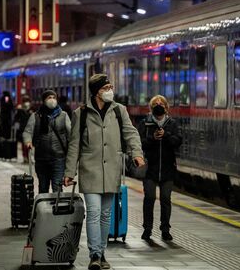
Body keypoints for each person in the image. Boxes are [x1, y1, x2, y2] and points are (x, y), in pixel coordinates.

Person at [63, 74, 145, 270]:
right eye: (106, 87)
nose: (110, 90)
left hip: (112, 170)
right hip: (90, 170)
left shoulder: (119, 110)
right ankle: (94, 255)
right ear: (96, 92)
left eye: (110, 86)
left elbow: (130, 133)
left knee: (106, 214)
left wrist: (137, 154)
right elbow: (74, 145)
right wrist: (69, 171)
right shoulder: (80, 114)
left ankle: (102, 252)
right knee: (94, 212)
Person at [136, 95, 182, 241]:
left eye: (161, 103)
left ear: (166, 107)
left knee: (165, 199)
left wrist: (166, 135)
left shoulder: (172, 124)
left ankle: (165, 229)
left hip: (168, 169)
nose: (158, 105)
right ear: (151, 107)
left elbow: (178, 141)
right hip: (150, 168)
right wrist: (153, 138)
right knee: (149, 198)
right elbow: (139, 143)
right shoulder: (145, 123)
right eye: (155, 103)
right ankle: (147, 228)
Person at [23, 90, 71, 193]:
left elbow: (70, 134)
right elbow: (27, 131)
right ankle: (44, 209)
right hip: (41, 159)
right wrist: (28, 141)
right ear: (44, 100)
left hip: (59, 158)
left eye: (54, 98)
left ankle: (57, 208)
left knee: (57, 186)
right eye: (49, 98)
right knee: (43, 187)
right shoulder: (36, 116)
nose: (52, 100)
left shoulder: (63, 115)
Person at [14, 95, 34, 163]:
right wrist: (16, 128)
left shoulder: (32, 109)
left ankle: (29, 157)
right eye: (25, 101)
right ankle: (25, 157)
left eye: (27, 101)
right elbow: (16, 119)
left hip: (30, 129)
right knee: (23, 144)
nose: (26, 103)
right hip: (22, 130)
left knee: (29, 144)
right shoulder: (20, 110)